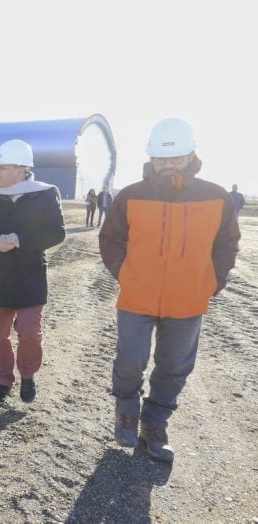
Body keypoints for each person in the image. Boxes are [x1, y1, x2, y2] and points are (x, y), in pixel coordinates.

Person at [100, 118, 240, 461]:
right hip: (136, 297)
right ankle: (127, 414)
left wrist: (212, 282)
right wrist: (126, 274)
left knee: (174, 366)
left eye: (173, 157)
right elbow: (110, 239)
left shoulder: (216, 197)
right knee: (131, 360)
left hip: (188, 300)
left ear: (190, 154)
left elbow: (227, 243)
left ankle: (155, 425)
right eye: (161, 158)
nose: (166, 164)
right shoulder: (131, 196)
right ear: (151, 158)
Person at [0, 139, 65, 406]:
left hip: (31, 275)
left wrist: (22, 240)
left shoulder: (45, 193)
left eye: (2, 167)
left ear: (21, 169)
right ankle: (3, 381)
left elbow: (56, 232)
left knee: (30, 332)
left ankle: (28, 375)